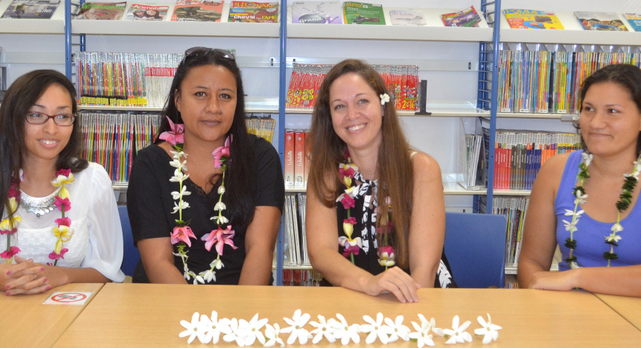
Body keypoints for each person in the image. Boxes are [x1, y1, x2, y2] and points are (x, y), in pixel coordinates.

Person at [517, 63, 641, 300]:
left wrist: (579, 277)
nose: (595, 123)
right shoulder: (556, 171)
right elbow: (531, 262)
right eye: (589, 109)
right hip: (567, 317)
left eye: (612, 111)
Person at [0, 70, 125, 294]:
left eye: (63, 116)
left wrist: (63, 275)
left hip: (71, 315)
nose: (51, 129)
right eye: (37, 115)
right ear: (14, 119)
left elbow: (107, 271)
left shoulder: (92, 179)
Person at [127, 47, 284, 285]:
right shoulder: (149, 164)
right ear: (178, 100)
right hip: (166, 303)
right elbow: (158, 263)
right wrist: (199, 320)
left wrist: (238, 318)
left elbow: (259, 250)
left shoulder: (260, 157)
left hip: (242, 301)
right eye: (200, 94)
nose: (213, 108)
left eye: (225, 96)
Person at [305, 59, 455, 303]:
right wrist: (369, 283)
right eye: (339, 106)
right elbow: (321, 254)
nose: (352, 115)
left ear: (383, 106)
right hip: (349, 294)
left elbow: (423, 271)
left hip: (416, 298)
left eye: (362, 101)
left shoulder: (421, 170)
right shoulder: (325, 174)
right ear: (329, 117)